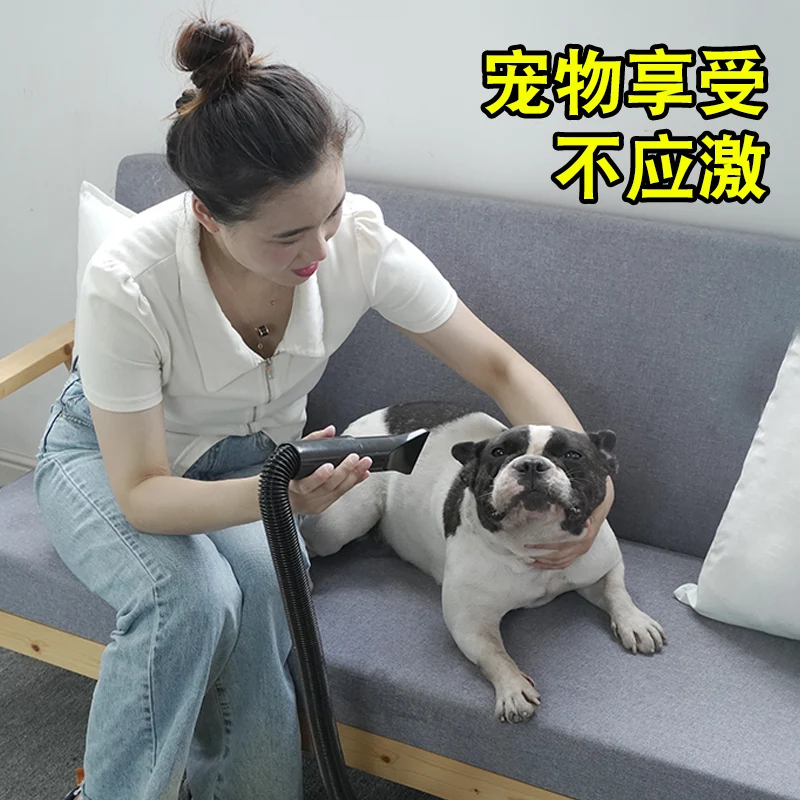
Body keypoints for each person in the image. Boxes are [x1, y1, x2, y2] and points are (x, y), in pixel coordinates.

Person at [35, 16, 614, 800]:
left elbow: (498, 366)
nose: (319, 249)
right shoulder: (128, 283)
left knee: (269, 586)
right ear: (207, 215)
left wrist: (595, 488)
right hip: (113, 461)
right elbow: (141, 492)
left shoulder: (357, 242)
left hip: (249, 464)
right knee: (192, 600)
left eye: (331, 211)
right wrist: (286, 498)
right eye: (287, 236)